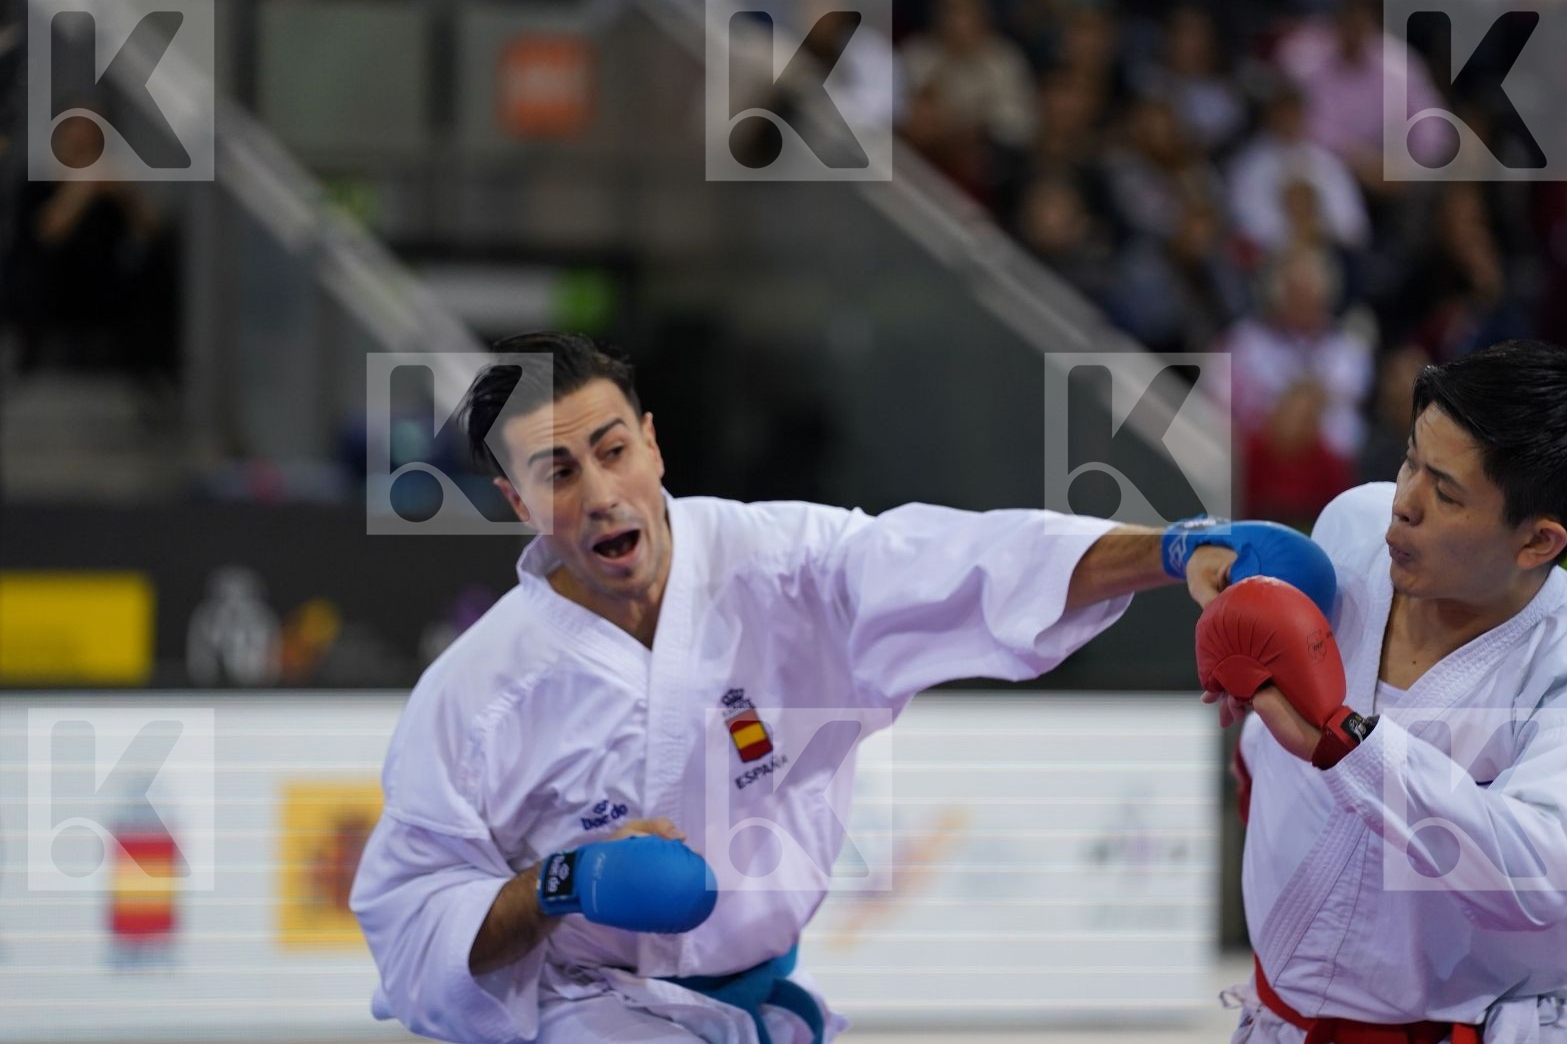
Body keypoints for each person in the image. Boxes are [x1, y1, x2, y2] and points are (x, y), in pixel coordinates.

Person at [350, 330, 1330, 1044]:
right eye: (556, 474)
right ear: (515, 503)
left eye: (611, 451)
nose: (601, 494)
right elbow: (410, 926)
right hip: (588, 1015)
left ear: (652, 444)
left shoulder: (786, 564)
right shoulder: (474, 694)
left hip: (769, 1003)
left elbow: (962, 559)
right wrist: (560, 883)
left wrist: (1168, 551)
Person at [1201, 340, 1567, 1041]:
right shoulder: (1354, 527)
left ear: (1537, 542)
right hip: (1282, 1021)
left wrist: (1347, 741)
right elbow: (1287, 716)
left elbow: (1539, 871)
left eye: (1445, 493)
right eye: (1411, 458)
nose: (1404, 505)